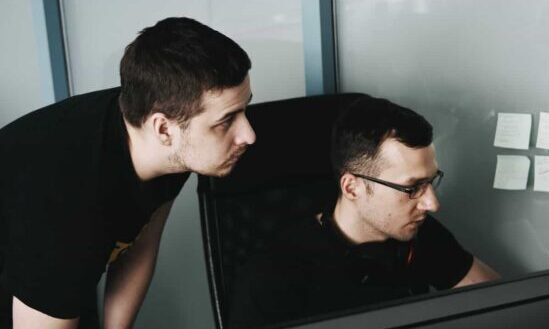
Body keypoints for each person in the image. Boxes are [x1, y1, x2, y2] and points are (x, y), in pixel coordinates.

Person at [0, 17, 255, 329]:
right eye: (227, 120)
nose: (249, 134)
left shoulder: (169, 141)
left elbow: (139, 243)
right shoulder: (68, 206)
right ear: (163, 129)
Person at [227, 96, 499, 328]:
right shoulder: (271, 279)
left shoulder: (416, 231)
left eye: (430, 181)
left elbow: (500, 301)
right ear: (352, 188)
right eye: (413, 187)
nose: (432, 203)